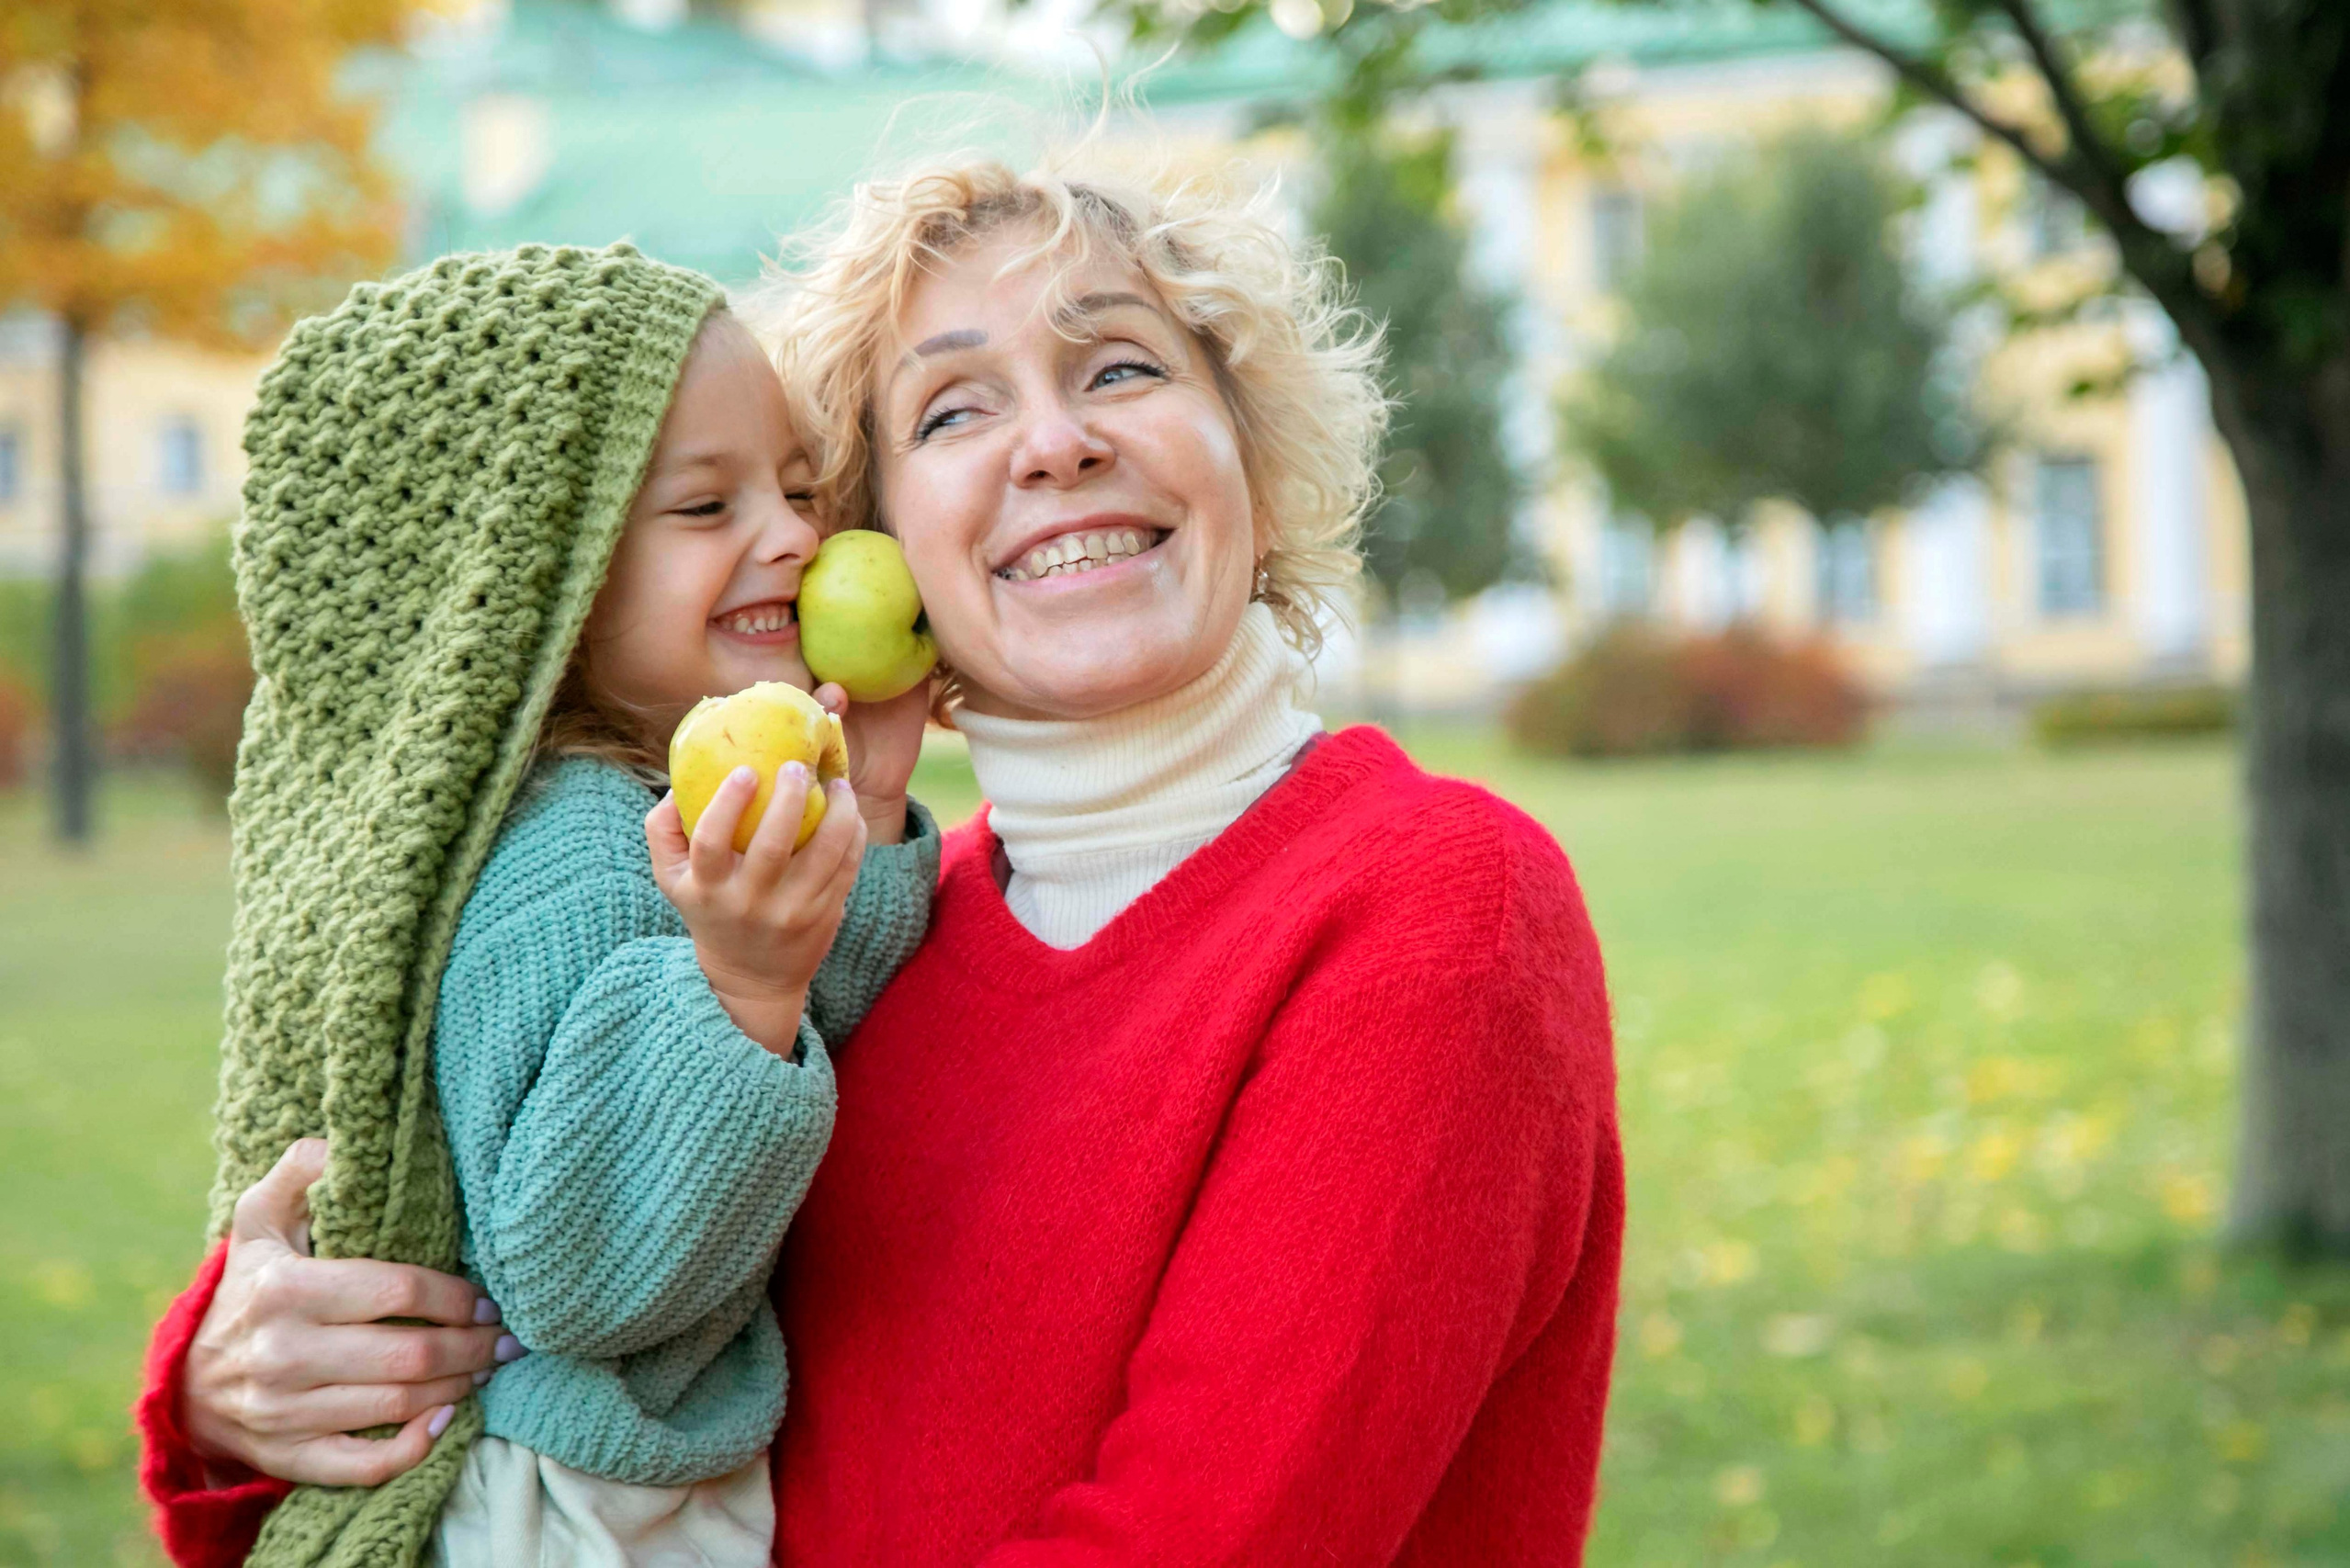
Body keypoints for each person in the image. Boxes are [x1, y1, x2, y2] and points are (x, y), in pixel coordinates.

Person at [139, 160, 1625, 1566]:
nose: (1058, 442)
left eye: (1121, 367)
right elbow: (569, 1244)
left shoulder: (1433, 910)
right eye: (957, 411)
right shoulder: (855, 917)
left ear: (1249, 439)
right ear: (874, 540)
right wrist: (232, 1392)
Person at [166, 243, 937, 1568]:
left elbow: (819, 1040)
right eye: (707, 507)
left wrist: (852, 840)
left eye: (800, 488)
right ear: (546, 579)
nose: (800, 537)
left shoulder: (658, 810)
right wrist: (740, 988)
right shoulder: (575, 847)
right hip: (558, 1519)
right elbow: (583, 1271)